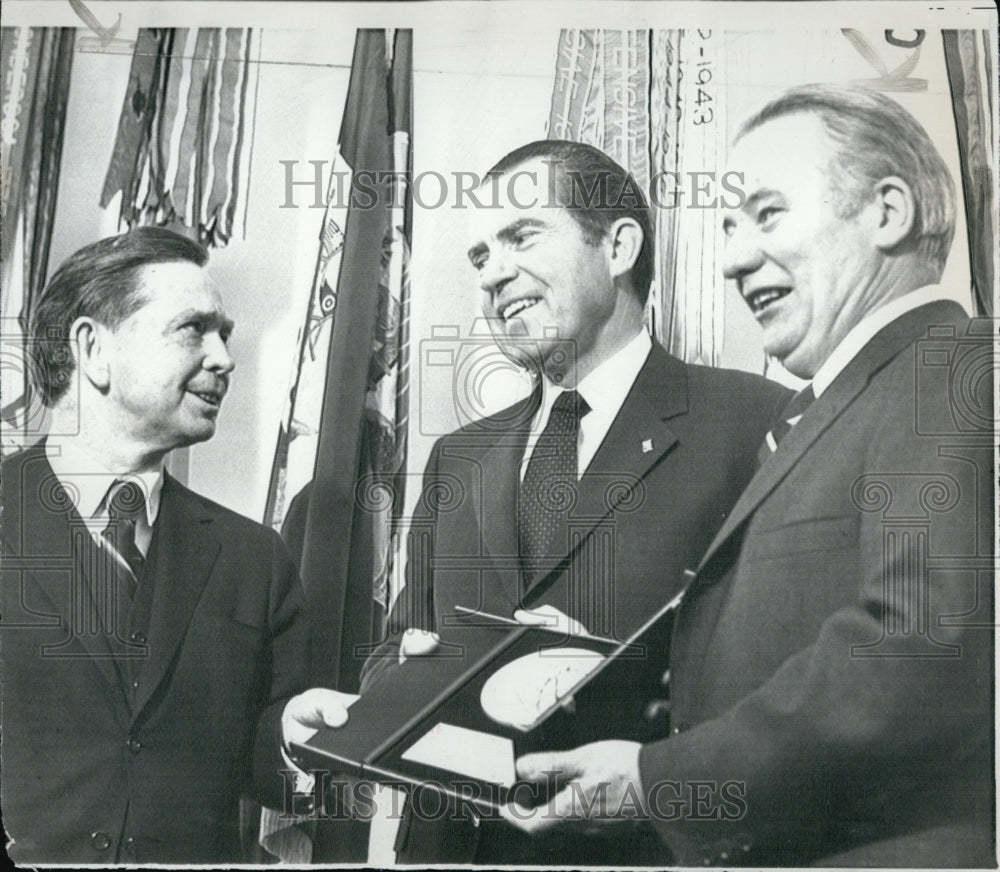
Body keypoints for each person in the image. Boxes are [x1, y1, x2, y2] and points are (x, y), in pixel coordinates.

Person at [502, 85, 995, 867]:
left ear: (888, 212)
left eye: (767, 214)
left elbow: (917, 651)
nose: (732, 258)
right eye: (729, 228)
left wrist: (659, 781)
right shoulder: (830, 407)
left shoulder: (954, 363)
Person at [352, 140, 789, 864]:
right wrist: (409, 673)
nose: (493, 273)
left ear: (618, 247)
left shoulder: (756, 426)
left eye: (522, 237)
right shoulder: (457, 457)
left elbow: (795, 688)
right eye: (480, 256)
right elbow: (390, 654)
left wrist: (610, 681)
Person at [0, 228, 347, 864]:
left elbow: (263, 762)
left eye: (225, 335)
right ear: (93, 349)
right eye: (194, 329)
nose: (224, 359)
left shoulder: (255, 559)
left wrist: (293, 741)